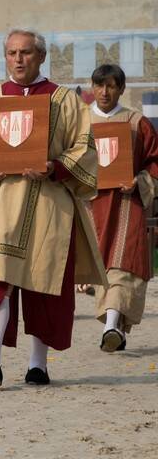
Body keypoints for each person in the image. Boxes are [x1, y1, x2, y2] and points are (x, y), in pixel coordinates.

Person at [0, 28, 104, 386]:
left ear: (41, 56)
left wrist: (55, 167)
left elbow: (85, 148)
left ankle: (39, 365)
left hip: (49, 204)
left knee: (42, 283)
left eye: (26, 52)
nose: (18, 59)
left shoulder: (65, 100)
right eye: (11, 53)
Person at [87, 64, 158, 352]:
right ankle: (117, 328)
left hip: (128, 204)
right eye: (99, 85)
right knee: (102, 266)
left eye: (112, 86)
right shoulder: (80, 121)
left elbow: (154, 162)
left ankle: (111, 326)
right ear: (93, 87)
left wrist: (138, 181)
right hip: (92, 205)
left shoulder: (136, 122)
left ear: (121, 89)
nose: (105, 92)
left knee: (123, 264)